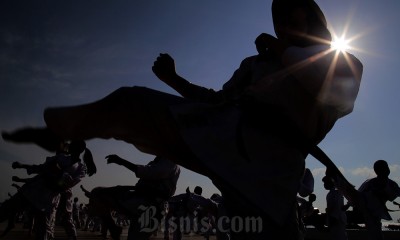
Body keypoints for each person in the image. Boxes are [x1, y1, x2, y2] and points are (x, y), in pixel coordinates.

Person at [2, 0, 363, 239]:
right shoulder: (253, 66)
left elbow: (337, 93)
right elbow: (217, 101)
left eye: (291, 10)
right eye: (277, 13)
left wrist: (282, 48)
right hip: (223, 141)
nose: (282, 19)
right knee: (132, 100)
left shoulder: (342, 61)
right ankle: (61, 130)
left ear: (313, 17)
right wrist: (176, 81)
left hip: (272, 172)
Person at [81, 155, 180, 240]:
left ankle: (114, 228)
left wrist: (122, 162)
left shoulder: (170, 162)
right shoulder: (158, 161)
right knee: (98, 193)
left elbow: (148, 172)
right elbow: (144, 179)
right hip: (140, 202)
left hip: (151, 208)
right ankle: (113, 227)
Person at [354, 160, 400, 240]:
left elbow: (394, 194)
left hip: (377, 213)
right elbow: (357, 195)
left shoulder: (391, 184)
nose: (386, 169)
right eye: (383, 168)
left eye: (386, 167)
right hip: (368, 213)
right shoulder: (370, 183)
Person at [322, 175, 348, 240]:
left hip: (336, 221)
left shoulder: (334, 194)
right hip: (336, 220)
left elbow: (336, 208)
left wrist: (331, 222)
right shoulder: (334, 193)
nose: (324, 185)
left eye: (325, 183)